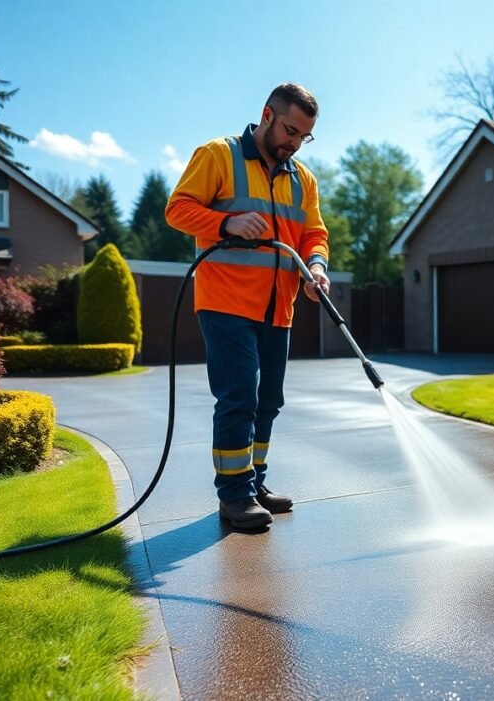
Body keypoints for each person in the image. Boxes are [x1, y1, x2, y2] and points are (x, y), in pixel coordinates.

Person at [165, 83, 330, 530]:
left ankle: (255, 481)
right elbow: (177, 209)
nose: (294, 143)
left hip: (279, 308)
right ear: (267, 114)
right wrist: (225, 222)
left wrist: (315, 267)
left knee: (268, 401)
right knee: (238, 395)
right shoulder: (218, 156)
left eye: (304, 136)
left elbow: (314, 235)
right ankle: (234, 495)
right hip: (226, 302)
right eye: (291, 130)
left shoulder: (303, 180)